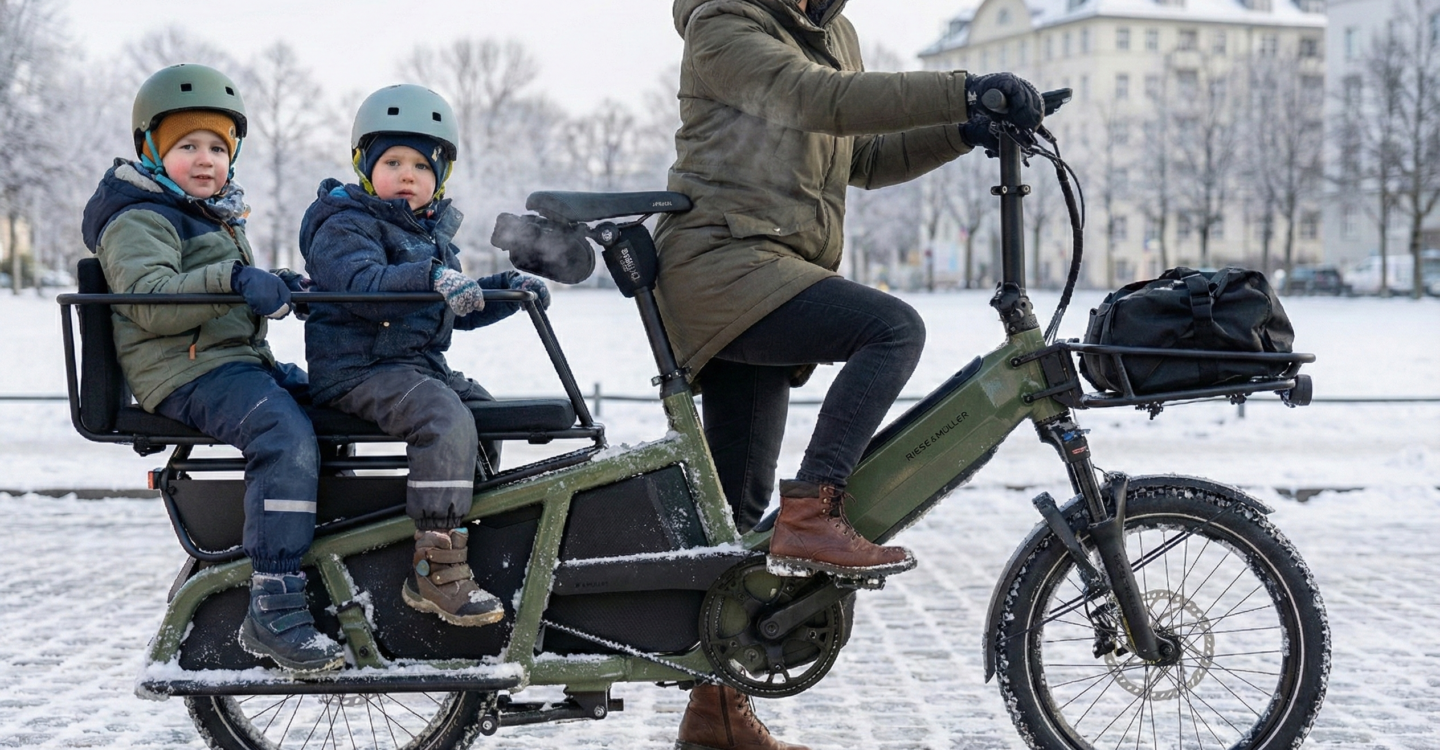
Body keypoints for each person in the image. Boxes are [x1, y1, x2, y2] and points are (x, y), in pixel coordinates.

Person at [656, 1, 1044, 748]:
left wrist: (967, 130)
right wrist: (965, 88)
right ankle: (814, 514)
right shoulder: (723, 25)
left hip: (770, 269)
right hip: (720, 265)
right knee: (892, 326)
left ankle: (717, 719)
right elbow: (818, 100)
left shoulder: (835, 33)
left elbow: (857, 155)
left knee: (734, 524)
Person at [81, 64, 341, 673]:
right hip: (183, 372)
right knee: (280, 433)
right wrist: (230, 279)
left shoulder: (207, 213)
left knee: (338, 402)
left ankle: (340, 546)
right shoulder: (137, 216)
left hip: (232, 362)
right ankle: (274, 601)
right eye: (187, 146)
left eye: (218, 148)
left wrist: (272, 283)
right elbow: (151, 298)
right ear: (150, 150)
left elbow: (223, 294)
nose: (205, 160)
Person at [299, 84, 550, 628]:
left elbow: (451, 308)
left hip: (412, 367)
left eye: (421, 165)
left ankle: (469, 525)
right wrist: (432, 276)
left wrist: (507, 289)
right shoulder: (344, 224)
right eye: (392, 161)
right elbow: (361, 284)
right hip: (357, 369)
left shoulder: (431, 238)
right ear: (366, 167)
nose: (407, 174)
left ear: (440, 176)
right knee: (444, 418)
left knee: (483, 411)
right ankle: (434, 565)